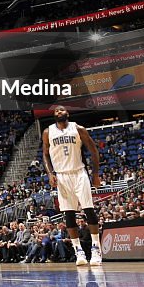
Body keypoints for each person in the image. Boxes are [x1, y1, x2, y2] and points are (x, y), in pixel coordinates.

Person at [43, 105, 103, 266]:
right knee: (68, 214)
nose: (58, 112)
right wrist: (50, 173)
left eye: (61, 110)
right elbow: (45, 154)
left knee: (88, 210)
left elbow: (93, 150)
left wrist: (95, 174)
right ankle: (78, 251)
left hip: (79, 172)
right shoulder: (48, 132)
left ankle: (96, 248)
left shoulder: (78, 128)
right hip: (62, 176)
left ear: (67, 113)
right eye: (56, 111)